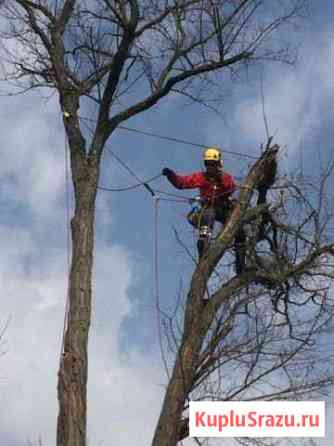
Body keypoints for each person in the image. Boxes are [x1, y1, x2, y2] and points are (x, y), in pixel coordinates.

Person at [162, 147, 246, 272]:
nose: (210, 168)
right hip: (210, 208)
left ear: (218, 165)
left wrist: (219, 180)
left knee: (239, 230)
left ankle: (240, 262)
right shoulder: (201, 177)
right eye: (208, 165)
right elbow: (182, 183)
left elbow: (231, 188)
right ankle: (204, 243)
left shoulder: (225, 177)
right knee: (208, 215)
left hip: (224, 208)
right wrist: (171, 175)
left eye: (213, 165)